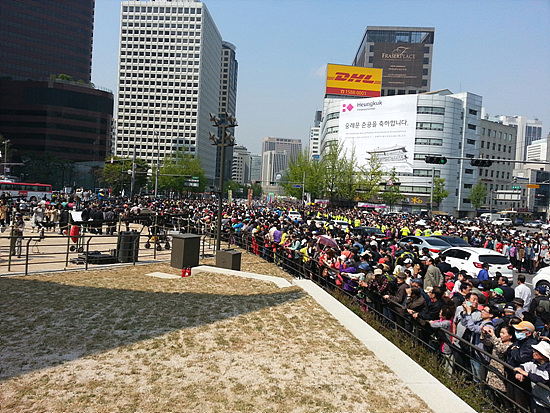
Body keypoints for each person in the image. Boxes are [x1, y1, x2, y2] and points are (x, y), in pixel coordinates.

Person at [514, 341, 550, 413]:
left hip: (547, 403)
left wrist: (526, 374)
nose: (533, 352)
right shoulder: (534, 362)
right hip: (536, 398)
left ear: (543, 355)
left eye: (537, 351)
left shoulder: (548, 367)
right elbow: (523, 366)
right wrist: (519, 373)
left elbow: (543, 379)